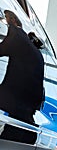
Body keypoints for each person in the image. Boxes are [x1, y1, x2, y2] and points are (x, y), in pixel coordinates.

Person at [0, 10, 44, 144]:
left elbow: (2, 49)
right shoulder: (36, 53)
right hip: (29, 102)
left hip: (17, 98)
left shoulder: (17, 36)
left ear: (13, 22)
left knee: (15, 134)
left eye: (7, 20)